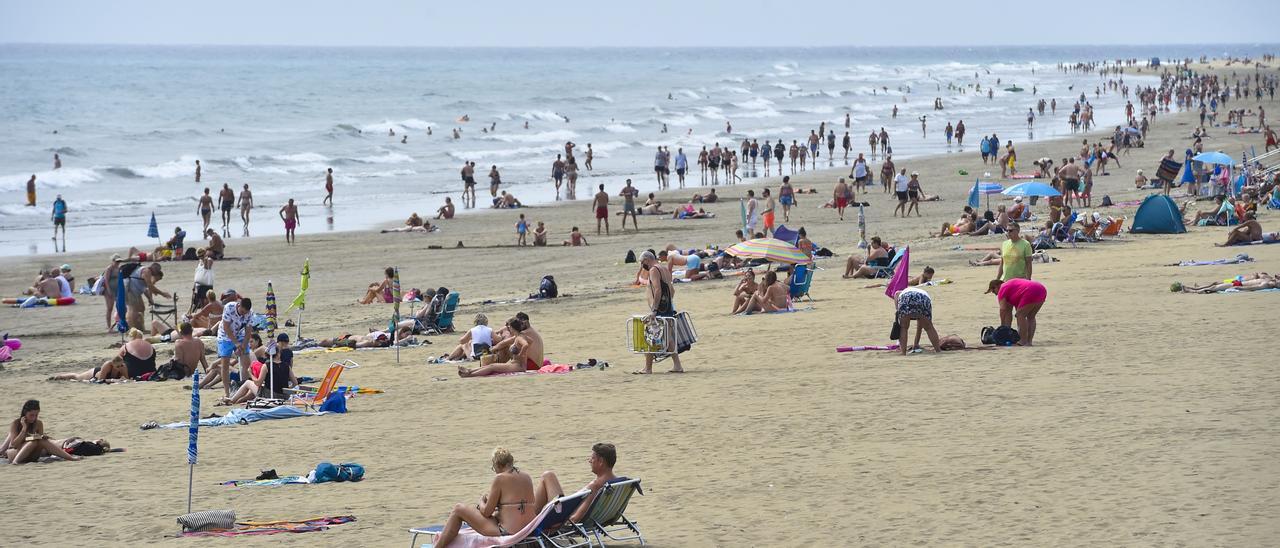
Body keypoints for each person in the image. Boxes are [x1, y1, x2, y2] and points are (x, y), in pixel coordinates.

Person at [430, 448, 537, 546]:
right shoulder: (526, 477)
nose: (494, 471)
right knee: (494, 515)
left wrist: (481, 502)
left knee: (458, 509)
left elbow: (486, 512)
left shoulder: (500, 478)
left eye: (494, 467)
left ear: (498, 465)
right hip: (527, 529)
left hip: (507, 532)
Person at [532, 443, 621, 524]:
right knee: (548, 476)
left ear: (601, 461)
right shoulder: (618, 483)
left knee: (547, 476)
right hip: (591, 516)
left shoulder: (595, 486)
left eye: (592, 458)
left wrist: (565, 522)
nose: (589, 461)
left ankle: (529, 520)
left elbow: (576, 518)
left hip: (561, 516)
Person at [636, 251, 684, 373]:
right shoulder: (664, 269)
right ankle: (677, 365)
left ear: (647, 260)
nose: (642, 265)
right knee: (668, 337)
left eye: (642, 263)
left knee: (650, 336)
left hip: (659, 309)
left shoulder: (653, 270)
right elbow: (672, 290)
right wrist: (668, 305)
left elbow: (657, 290)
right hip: (667, 307)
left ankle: (648, 368)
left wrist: (654, 310)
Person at [220, 333, 297, 405]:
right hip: (284, 396)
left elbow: (258, 383)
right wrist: (287, 389)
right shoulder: (287, 366)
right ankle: (238, 401)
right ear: (279, 354)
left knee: (248, 382)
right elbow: (295, 383)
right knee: (254, 390)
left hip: (269, 396)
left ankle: (232, 400)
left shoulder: (266, 366)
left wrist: (250, 373)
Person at [459, 317, 543, 377]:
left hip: (519, 366)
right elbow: (530, 341)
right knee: (491, 365)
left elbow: (526, 344)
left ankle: (469, 375)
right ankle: (469, 371)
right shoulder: (519, 336)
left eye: (509, 327)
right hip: (515, 364)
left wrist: (522, 353)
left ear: (512, 328)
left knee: (492, 367)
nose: (508, 329)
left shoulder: (520, 337)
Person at [3, 400, 81, 465]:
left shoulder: (38, 423)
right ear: (25, 413)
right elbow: (14, 445)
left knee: (41, 440)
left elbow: (40, 443)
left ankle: (70, 458)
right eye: (31, 415)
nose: (34, 418)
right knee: (33, 441)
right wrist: (24, 429)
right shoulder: (16, 423)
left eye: (36, 415)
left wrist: (41, 437)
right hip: (15, 453)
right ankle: (15, 462)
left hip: (32, 455)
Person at [209, 297, 252, 398]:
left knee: (245, 363)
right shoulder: (229, 307)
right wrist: (236, 344)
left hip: (239, 333)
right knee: (225, 364)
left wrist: (243, 347)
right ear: (239, 305)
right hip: (225, 335)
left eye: (245, 313)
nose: (243, 314)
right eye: (241, 311)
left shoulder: (249, 313)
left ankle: (243, 389)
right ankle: (227, 393)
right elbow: (226, 328)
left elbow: (248, 332)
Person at [987, 278, 1046, 346]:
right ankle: (1029, 342)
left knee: (1020, 315)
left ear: (996, 286)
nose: (995, 294)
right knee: (1031, 317)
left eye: (993, 291)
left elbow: (1003, 309)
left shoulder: (1002, 288)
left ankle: (1023, 341)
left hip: (1030, 290)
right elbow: (1009, 311)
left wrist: (1002, 325)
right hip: (1041, 289)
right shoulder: (1012, 288)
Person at [894, 287, 942, 354]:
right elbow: (920, 327)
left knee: (904, 327)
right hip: (923, 298)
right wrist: (916, 344)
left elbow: (898, 311)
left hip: (905, 298)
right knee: (929, 327)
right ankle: (938, 350)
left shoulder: (898, 294)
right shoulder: (918, 291)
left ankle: (903, 353)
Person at [124, 263, 170, 330]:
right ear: (154, 269)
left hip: (136, 292)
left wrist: (150, 298)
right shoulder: (146, 271)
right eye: (157, 271)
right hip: (130, 290)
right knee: (133, 309)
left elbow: (145, 289)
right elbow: (150, 286)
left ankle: (139, 327)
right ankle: (131, 328)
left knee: (142, 308)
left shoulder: (147, 273)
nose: (157, 272)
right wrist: (163, 294)